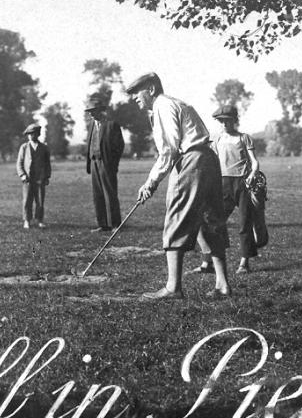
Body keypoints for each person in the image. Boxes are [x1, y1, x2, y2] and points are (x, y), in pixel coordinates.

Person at [126, 72, 231, 300]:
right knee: (210, 220)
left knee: (177, 217)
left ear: (151, 89)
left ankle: (173, 288)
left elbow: (168, 150)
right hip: (208, 159)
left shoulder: (162, 106)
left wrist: (151, 182)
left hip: (192, 160)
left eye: (137, 92)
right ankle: (223, 285)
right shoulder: (174, 103)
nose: (134, 98)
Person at [192, 104, 262, 274]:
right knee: (213, 221)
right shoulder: (216, 139)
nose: (224, 124)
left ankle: (244, 263)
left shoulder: (244, 138)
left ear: (235, 120)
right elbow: (211, 160)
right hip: (222, 184)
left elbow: (254, 162)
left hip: (243, 184)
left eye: (228, 120)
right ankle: (208, 262)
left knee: (245, 223)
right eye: (221, 121)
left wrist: (253, 173)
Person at [85, 94, 125, 232]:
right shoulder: (91, 125)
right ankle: (103, 224)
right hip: (94, 163)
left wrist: (113, 164)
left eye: (93, 111)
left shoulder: (111, 125)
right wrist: (89, 161)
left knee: (110, 194)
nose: (91, 114)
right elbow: (90, 143)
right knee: (98, 194)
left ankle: (115, 224)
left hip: (107, 164)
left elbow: (119, 146)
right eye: (89, 111)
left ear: (100, 110)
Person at [15, 123, 51, 229]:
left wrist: (47, 177)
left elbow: (47, 164)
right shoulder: (24, 147)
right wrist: (22, 175)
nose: (31, 136)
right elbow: (19, 163)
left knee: (40, 200)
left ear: (38, 134)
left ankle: (40, 220)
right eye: (29, 134)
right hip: (28, 179)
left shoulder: (44, 148)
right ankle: (27, 220)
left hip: (40, 179)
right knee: (27, 200)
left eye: (33, 134)